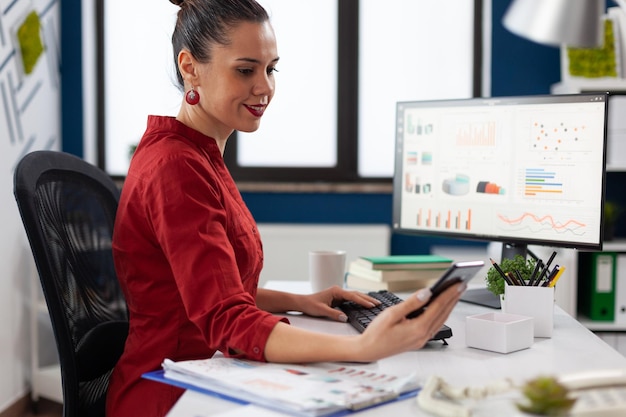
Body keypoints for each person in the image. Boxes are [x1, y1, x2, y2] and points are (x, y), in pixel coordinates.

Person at [106, 0, 466, 415]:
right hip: (171, 395)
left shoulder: (195, 155)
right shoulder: (176, 168)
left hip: (202, 374)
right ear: (190, 67)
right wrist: (365, 347)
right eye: (245, 70)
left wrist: (298, 301)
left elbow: (202, 288)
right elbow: (223, 318)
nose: (265, 87)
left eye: (270, 68)